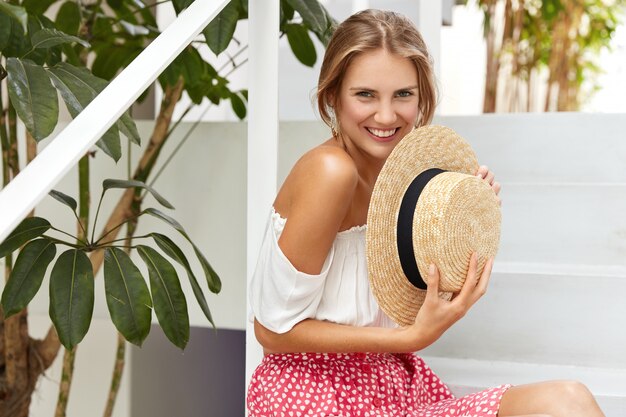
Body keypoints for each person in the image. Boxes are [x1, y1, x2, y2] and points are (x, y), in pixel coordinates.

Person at [247, 9, 605, 417]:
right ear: (333, 96)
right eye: (365, 94)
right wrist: (411, 338)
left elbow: (406, 300)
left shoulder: (408, 178)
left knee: (568, 401)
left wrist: (464, 217)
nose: (386, 116)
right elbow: (272, 332)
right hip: (312, 394)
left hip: (397, 385)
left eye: (403, 94)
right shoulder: (331, 172)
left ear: (421, 97)